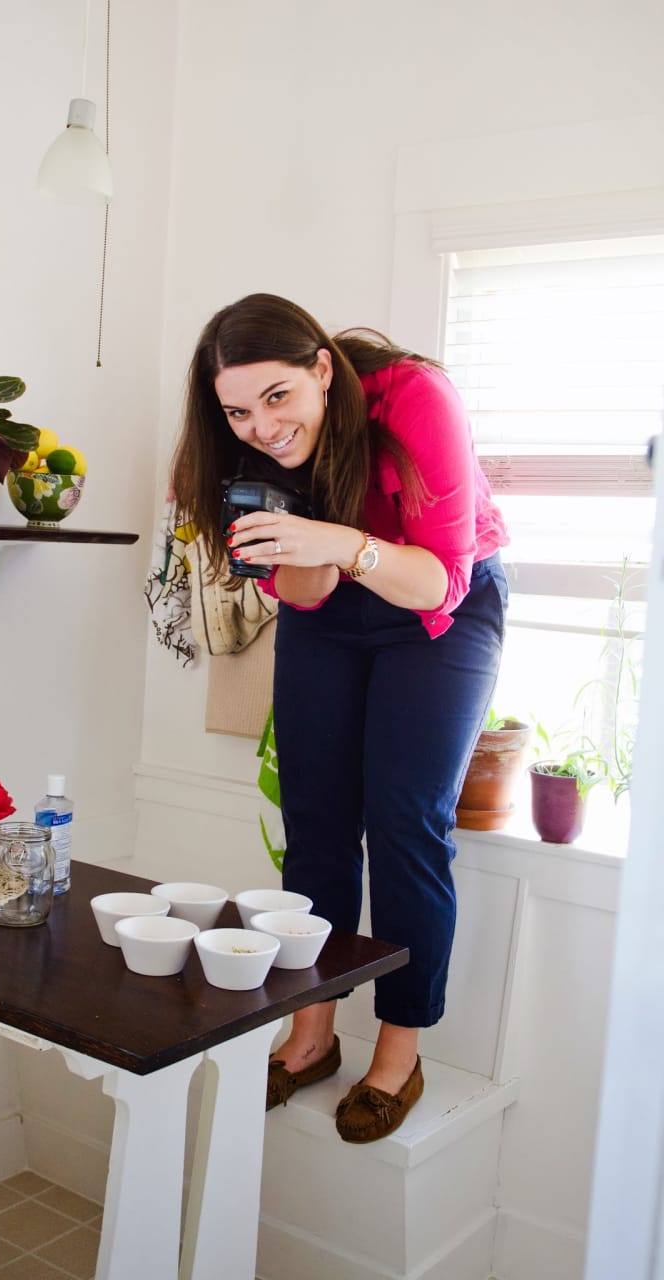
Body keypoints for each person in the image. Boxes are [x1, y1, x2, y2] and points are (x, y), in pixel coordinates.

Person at [171, 293, 509, 1143]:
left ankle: (400, 1048)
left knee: (406, 819)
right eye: (238, 410)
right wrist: (300, 538)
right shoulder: (244, 456)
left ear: (323, 368)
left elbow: (439, 585)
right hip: (336, 605)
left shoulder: (413, 398)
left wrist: (339, 540)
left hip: (441, 600)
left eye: (278, 396)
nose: (261, 425)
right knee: (316, 816)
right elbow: (308, 594)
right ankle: (312, 1031)